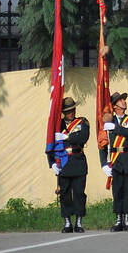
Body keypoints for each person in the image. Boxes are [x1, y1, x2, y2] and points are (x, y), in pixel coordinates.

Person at [48, 95, 90, 233]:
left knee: (79, 194)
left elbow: (83, 137)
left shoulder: (82, 122)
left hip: (78, 161)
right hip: (63, 162)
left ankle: (79, 221)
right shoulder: (56, 125)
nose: (70, 113)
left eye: (72, 110)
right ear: (63, 112)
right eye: (67, 111)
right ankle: (67, 222)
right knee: (65, 194)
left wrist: (67, 137)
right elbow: (50, 143)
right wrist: (52, 162)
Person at [102, 90, 128, 232]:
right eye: (121, 100)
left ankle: (127, 220)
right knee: (117, 190)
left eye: (124, 99)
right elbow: (102, 143)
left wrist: (115, 128)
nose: (124, 101)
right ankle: (118, 219)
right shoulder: (107, 121)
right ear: (115, 105)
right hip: (115, 159)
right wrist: (103, 163)